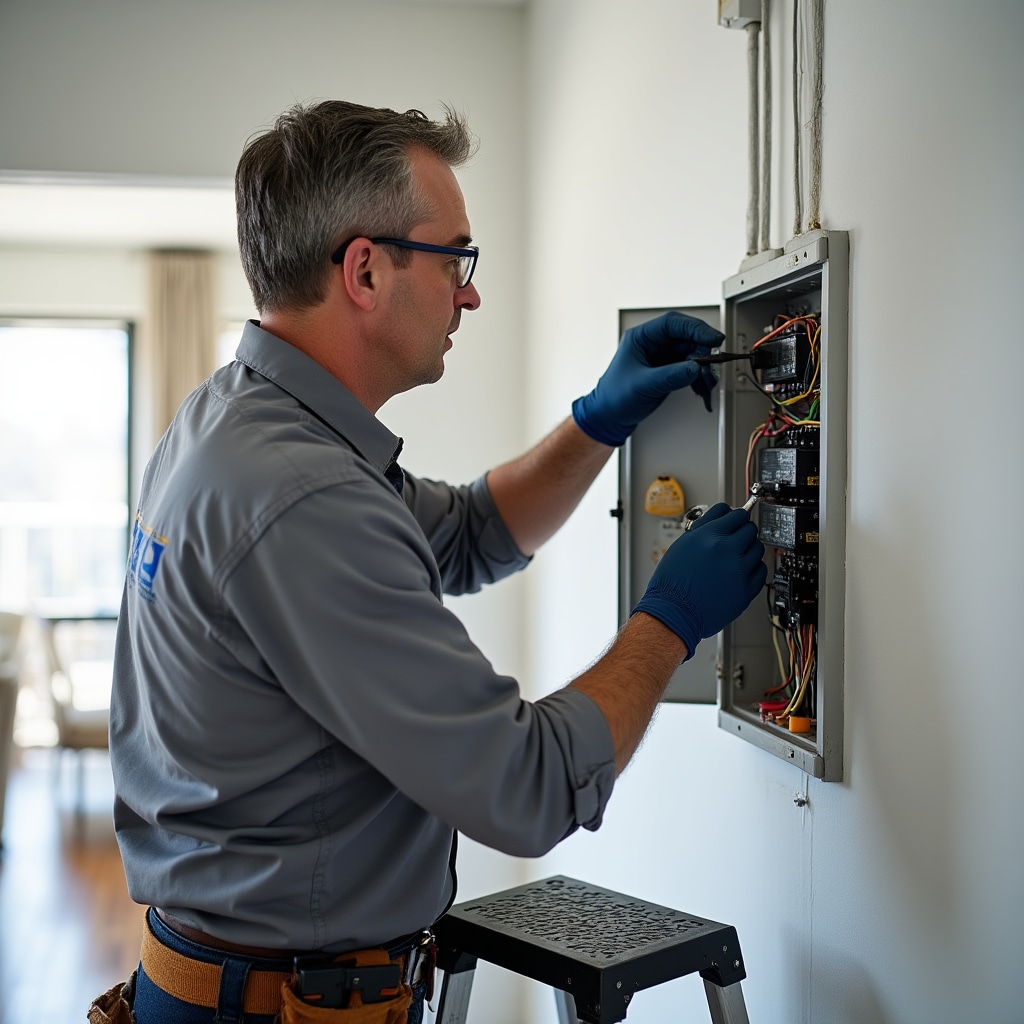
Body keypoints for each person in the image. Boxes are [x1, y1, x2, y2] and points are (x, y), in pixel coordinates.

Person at [93, 100, 766, 1024]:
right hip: (283, 1006)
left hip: (223, 981)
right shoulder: (302, 495)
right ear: (366, 270)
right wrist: (670, 622)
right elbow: (527, 787)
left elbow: (467, 534)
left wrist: (597, 421)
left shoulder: (233, 419)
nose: (471, 293)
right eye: (457, 259)